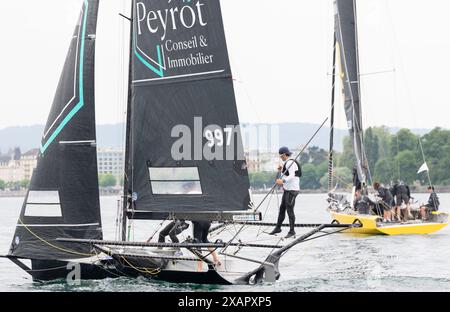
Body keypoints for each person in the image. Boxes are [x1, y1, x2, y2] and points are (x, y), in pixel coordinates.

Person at [269, 146, 301, 239]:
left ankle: (292, 231)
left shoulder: (290, 162)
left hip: (292, 190)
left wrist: (283, 181)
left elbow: (292, 175)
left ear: (284, 155)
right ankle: (278, 228)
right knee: (282, 208)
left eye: (281, 156)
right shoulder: (286, 163)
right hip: (287, 190)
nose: (280, 158)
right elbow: (283, 175)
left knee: (290, 209)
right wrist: (280, 170)